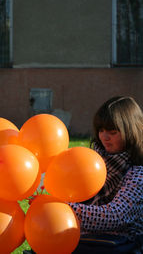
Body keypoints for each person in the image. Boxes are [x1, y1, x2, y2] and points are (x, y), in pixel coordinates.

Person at [69, 96, 143, 253]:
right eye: (101, 130)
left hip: (122, 245)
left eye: (113, 132)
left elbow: (116, 216)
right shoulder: (90, 163)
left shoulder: (138, 173)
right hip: (85, 240)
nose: (104, 137)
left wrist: (65, 210)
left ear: (131, 132)